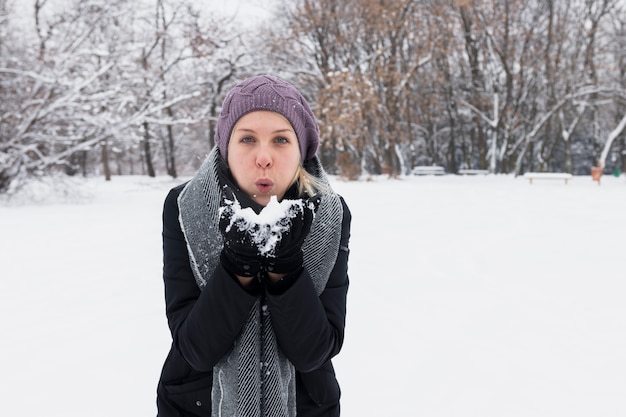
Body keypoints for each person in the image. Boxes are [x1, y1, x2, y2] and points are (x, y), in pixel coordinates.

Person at [156, 75, 351, 417]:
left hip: (305, 405)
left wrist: (285, 271)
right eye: (247, 139)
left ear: (301, 151)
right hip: (198, 404)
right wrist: (237, 269)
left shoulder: (330, 215)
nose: (264, 157)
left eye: (280, 140)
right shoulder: (185, 207)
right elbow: (197, 350)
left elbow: (314, 352)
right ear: (225, 148)